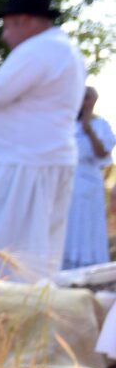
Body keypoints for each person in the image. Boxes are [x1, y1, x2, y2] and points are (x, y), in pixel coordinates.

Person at [0, 0, 88, 282]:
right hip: (36, 161)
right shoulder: (59, 49)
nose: (4, 36)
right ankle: (19, 311)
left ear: (23, 20)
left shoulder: (42, 49)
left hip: (25, 165)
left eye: (6, 26)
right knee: (33, 250)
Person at [64, 87, 114, 269]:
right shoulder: (66, 124)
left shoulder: (101, 125)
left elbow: (102, 154)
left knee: (88, 224)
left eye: (87, 98)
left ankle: (91, 264)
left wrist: (88, 129)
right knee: (69, 223)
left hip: (90, 182)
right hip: (68, 180)